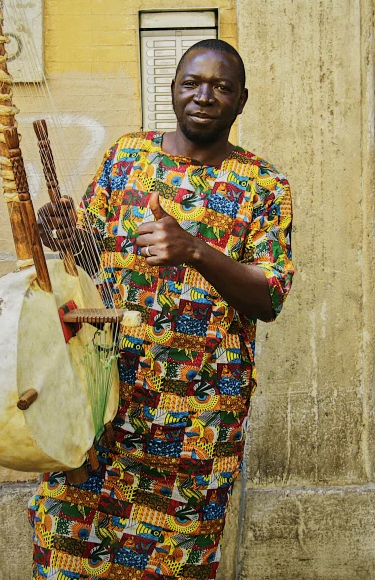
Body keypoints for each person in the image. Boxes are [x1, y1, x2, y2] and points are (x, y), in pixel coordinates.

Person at [29, 39, 294, 580]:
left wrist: (195, 248)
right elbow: (93, 261)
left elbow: (269, 297)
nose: (205, 96)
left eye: (222, 86)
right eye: (192, 83)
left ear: (242, 100)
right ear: (172, 91)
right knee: (67, 546)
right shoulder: (128, 157)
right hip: (105, 398)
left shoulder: (266, 186)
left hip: (199, 417)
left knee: (178, 561)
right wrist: (63, 237)